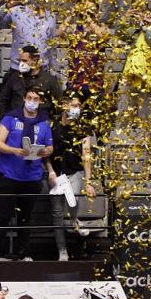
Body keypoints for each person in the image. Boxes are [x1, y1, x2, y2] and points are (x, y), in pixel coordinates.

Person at [0, 87, 53, 260]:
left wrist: (45, 152)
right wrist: (14, 150)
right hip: (9, 175)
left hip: (32, 178)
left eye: (36, 99)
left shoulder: (44, 122)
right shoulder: (11, 117)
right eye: (29, 97)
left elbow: (50, 147)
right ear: (24, 98)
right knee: (3, 216)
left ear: (40, 101)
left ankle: (23, 254)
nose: (32, 101)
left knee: (25, 218)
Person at [45, 95, 95, 261]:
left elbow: (86, 155)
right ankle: (62, 250)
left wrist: (88, 182)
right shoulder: (52, 126)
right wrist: (51, 172)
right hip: (56, 174)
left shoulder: (83, 127)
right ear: (64, 106)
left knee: (72, 201)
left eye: (79, 105)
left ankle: (75, 221)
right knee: (57, 214)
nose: (76, 108)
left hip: (75, 172)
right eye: (73, 105)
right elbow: (45, 154)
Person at [0, 44, 63, 117]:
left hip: (40, 122)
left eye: (24, 61)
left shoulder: (49, 80)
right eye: (20, 61)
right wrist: (6, 120)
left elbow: (58, 103)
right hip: (16, 121)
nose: (21, 64)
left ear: (35, 60)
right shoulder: (14, 77)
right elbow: (3, 100)